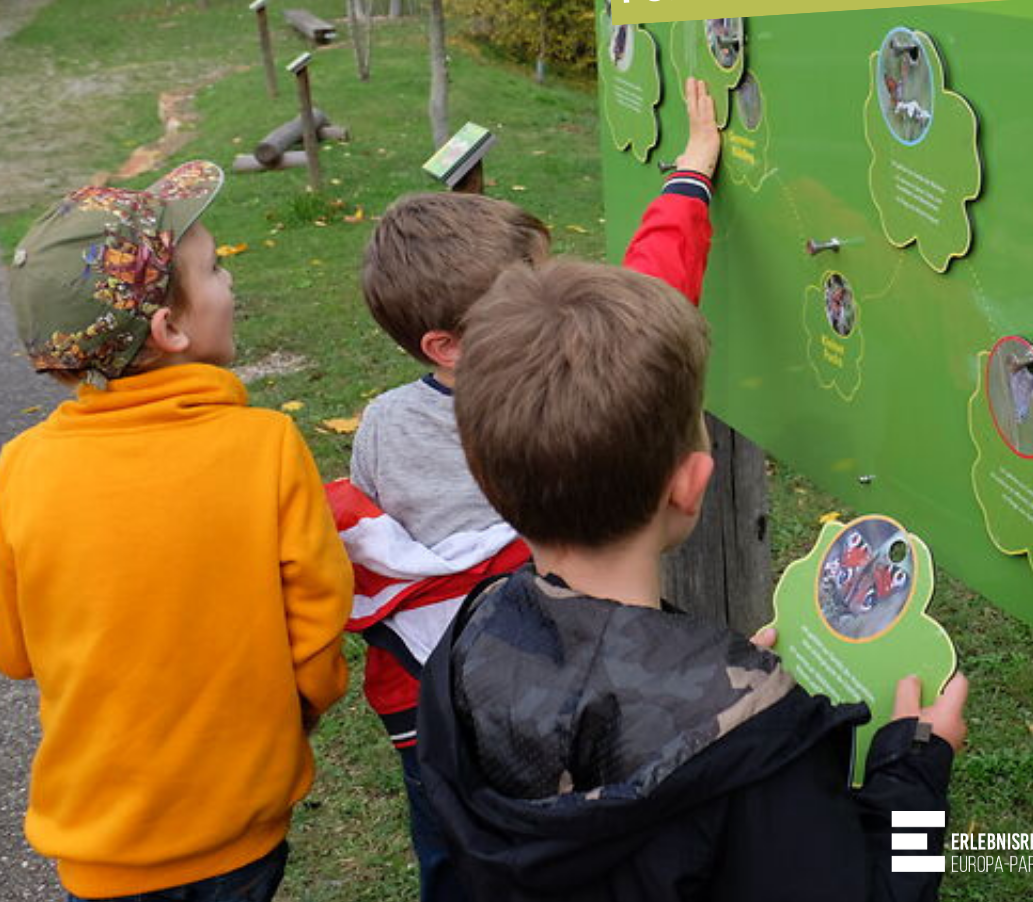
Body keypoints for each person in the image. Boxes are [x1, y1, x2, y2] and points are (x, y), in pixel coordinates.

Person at [418, 256, 968, 902]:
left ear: (482, 474)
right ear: (690, 484)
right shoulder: (757, 764)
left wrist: (712, 682)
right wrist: (914, 779)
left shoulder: (464, 644)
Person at [333, 79, 723, 901]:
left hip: (439, 709)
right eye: (526, 299)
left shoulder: (379, 426)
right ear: (447, 345)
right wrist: (688, 178)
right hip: (560, 697)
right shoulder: (573, 393)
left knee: (458, 847)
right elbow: (651, 299)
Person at [0, 162, 354, 902]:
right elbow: (318, 620)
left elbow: (15, 651)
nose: (230, 283)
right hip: (240, 827)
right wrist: (296, 715)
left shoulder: (17, 471)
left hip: (96, 843)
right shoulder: (265, 447)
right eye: (215, 269)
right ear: (171, 328)